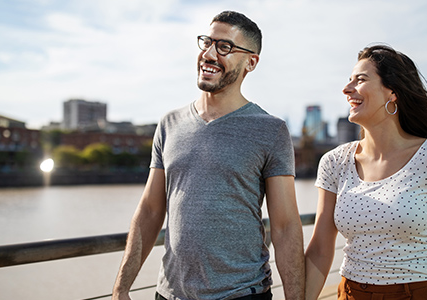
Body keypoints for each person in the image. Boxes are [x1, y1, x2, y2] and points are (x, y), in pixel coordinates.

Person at [112, 11, 305, 300]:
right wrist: (121, 288)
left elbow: (285, 225)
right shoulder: (169, 124)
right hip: (169, 294)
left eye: (224, 46)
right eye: (206, 42)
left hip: (241, 294)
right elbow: (150, 211)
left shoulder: (271, 130)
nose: (209, 53)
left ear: (251, 62)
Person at [305, 44, 427, 300]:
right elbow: (320, 248)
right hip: (351, 294)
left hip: (417, 293)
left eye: (361, 79)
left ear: (392, 92)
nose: (347, 89)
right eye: (349, 80)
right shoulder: (334, 161)